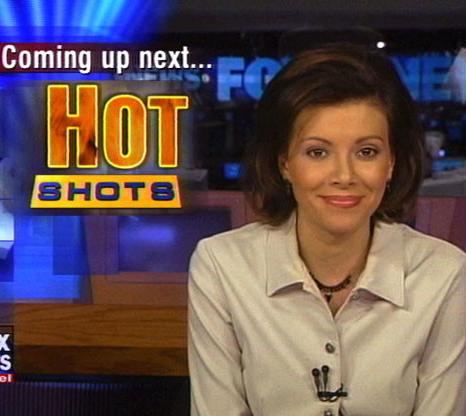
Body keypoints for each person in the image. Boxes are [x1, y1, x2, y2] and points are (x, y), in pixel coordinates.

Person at [187, 43, 466, 416]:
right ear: (285, 164)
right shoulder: (223, 266)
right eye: (317, 152)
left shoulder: (443, 273)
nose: (344, 176)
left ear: (391, 163)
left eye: (366, 152)